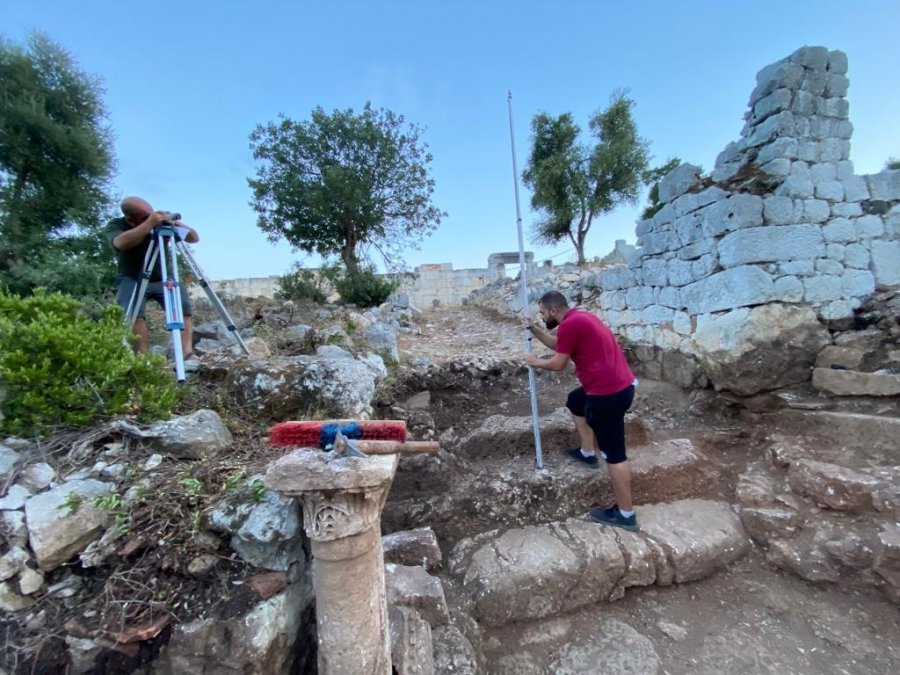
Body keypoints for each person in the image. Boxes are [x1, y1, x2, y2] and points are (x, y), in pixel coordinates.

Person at [523, 290, 638, 531]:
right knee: (576, 400)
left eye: (543, 314)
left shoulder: (571, 325)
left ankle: (625, 514)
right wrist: (533, 328)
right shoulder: (580, 319)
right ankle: (587, 452)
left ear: (554, 311)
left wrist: (535, 362)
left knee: (615, 455)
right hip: (620, 385)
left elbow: (558, 363)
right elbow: (560, 345)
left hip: (608, 395)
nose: (543, 318)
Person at [104, 196, 199, 359]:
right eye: (145, 216)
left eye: (150, 214)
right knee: (134, 313)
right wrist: (149, 225)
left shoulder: (160, 223)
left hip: (163, 276)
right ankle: (143, 358)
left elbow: (193, 238)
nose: (150, 217)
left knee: (183, 308)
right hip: (132, 277)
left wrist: (173, 222)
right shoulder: (116, 225)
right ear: (131, 219)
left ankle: (187, 353)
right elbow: (120, 243)